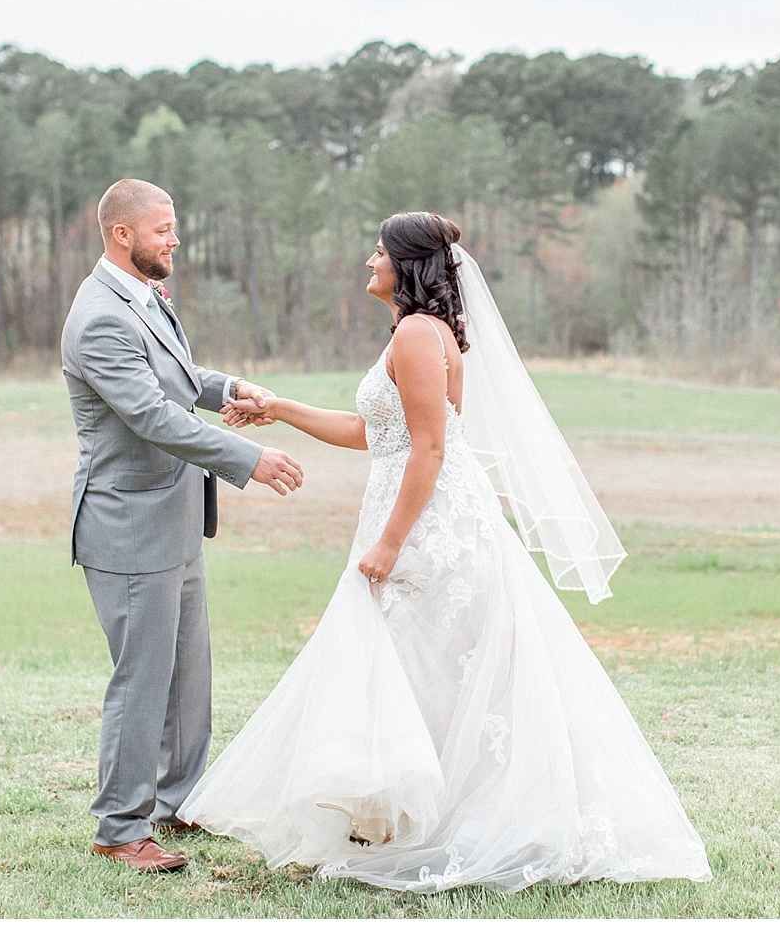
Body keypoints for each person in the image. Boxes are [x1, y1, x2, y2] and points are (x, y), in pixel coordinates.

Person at [178, 211, 710, 892]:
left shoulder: (416, 335)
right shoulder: (414, 334)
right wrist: (279, 407)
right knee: (413, 669)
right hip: (416, 509)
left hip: (430, 527)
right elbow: (375, 432)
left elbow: (430, 447)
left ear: (407, 264)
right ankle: (399, 815)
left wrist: (389, 542)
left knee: (416, 665)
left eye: (378, 251)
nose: (368, 260)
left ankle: (435, 818)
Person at [61, 178, 304, 873]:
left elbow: (175, 377)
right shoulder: (98, 316)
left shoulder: (142, 297)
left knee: (186, 672)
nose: (175, 239)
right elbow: (152, 416)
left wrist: (232, 389)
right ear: (122, 234)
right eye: (163, 228)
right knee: (142, 679)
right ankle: (119, 826)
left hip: (174, 517)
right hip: (128, 526)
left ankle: (180, 797)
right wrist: (248, 458)